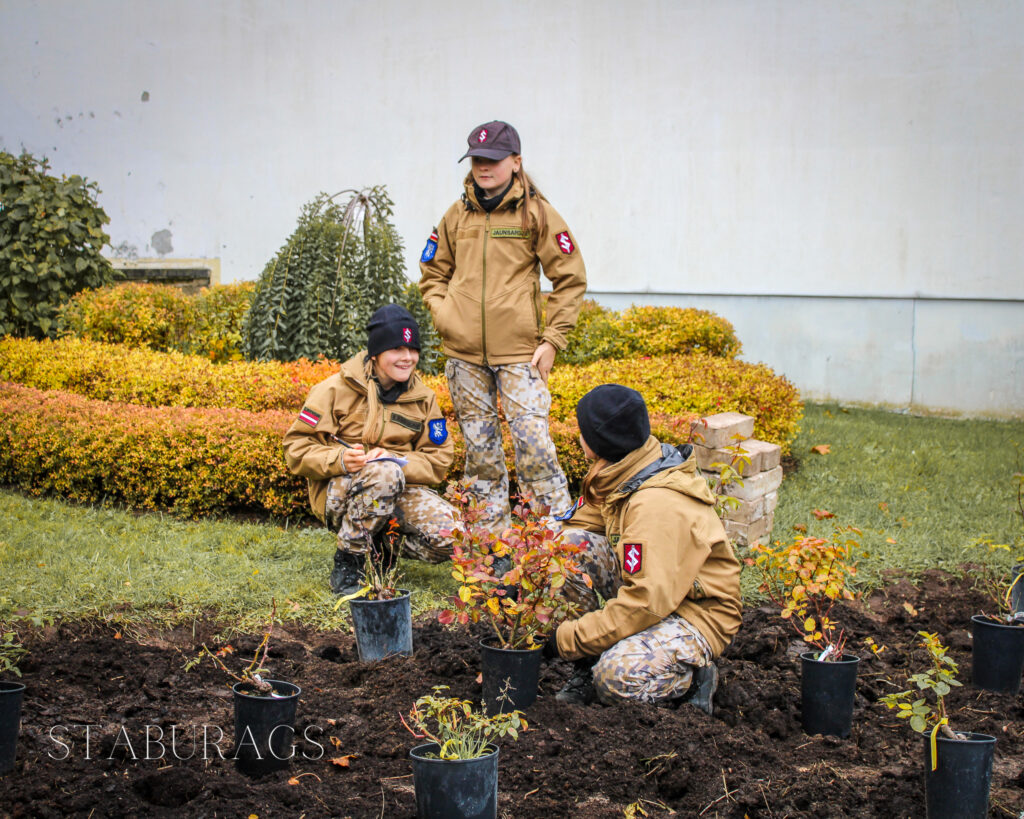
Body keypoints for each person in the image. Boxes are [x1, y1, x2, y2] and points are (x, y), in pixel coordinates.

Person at [418, 120, 586, 531]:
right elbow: (432, 272)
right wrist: (445, 315)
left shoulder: (536, 213)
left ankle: (553, 543)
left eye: (493, 159)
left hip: (520, 355)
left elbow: (570, 277)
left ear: (516, 161)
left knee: (534, 445)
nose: (484, 167)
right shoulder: (457, 215)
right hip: (465, 358)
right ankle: (491, 549)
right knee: (481, 454)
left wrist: (552, 341)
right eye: (477, 159)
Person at [544, 384, 743, 714]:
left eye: (582, 430)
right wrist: (524, 563)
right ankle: (589, 660)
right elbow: (577, 525)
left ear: (598, 442)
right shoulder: (630, 468)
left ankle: (693, 677)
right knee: (566, 549)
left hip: (697, 612)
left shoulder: (653, 504)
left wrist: (563, 641)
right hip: (660, 590)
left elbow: (644, 604)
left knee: (616, 678)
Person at [282, 304, 456, 594]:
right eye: (397, 350)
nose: (408, 358)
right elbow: (295, 448)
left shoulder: (424, 398)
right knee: (383, 474)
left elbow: (439, 459)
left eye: (413, 350)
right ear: (375, 353)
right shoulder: (333, 390)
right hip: (339, 492)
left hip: (398, 488)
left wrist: (395, 459)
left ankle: (381, 548)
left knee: (457, 538)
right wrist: (339, 459)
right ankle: (349, 563)